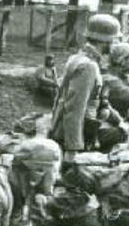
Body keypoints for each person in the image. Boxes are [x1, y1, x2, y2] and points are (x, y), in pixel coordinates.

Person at [49, 14, 124, 161]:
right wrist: (73, 149)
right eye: (115, 40)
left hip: (72, 128)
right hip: (80, 134)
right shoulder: (88, 66)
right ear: (106, 41)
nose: (116, 45)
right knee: (121, 134)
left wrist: (118, 119)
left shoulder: (78, 58)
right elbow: (74, 109)